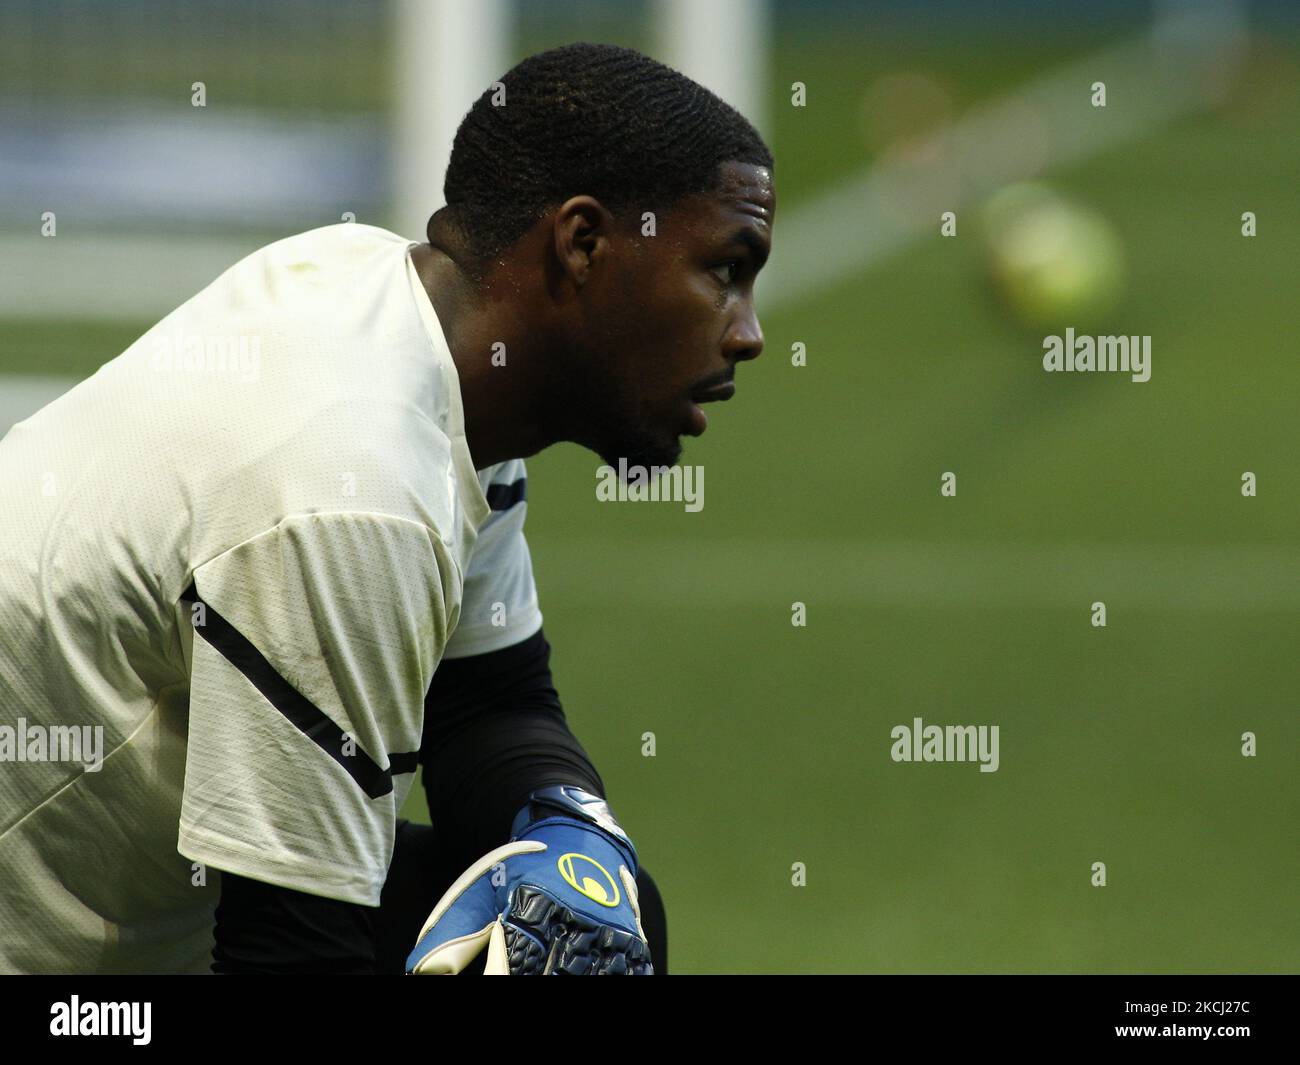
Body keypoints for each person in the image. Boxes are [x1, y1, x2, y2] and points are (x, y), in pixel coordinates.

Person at [0, 41, 775, 975]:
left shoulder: (401, 319)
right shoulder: (352, 485)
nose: (749, 332)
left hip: (132, 902)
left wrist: (574, 834)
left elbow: (487, 705)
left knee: (601, 915)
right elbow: (288, 954)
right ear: (581, 243)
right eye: (726, 269)